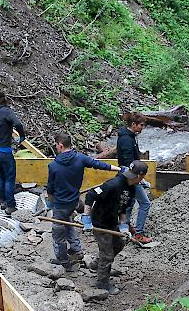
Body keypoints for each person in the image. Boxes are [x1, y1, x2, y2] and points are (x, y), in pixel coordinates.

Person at [47, 132, 120, 272]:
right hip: (74, 201)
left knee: (58, 233)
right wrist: (119, 169)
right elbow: (98, 164)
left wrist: (50, 203)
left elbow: (50, 188)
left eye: (56, 145)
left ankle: (63, 262)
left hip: (60, 204)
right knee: (68, 224)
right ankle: (77, 250)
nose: (56, 147)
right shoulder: (80, 158)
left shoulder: (54, 166)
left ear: (60, 145)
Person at [83, 161, 148, 294]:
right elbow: (90, 195)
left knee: (119, 244)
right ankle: (102, 283)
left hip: (112, 222)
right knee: (107, 254)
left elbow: (123, 208)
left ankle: (96, 264)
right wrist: (86, 218)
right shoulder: (113, 184)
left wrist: (124, 226)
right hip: (100, 222)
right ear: (139, 176)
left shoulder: (131, 189)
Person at [116, 113, 152, 244]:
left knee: (129, 202)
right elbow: (127, 161)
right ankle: (139, 233)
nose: (143, 128)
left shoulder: (130, 136)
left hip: (130, 175)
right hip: (130, 176)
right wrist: (138, 178)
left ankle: (125, 227)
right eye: (141, 125)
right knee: (145, 203)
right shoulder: (126, 139)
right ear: (133, 125)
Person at [0, 91, 25, 215]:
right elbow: (18, 124)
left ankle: (2, 199)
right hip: (4, 150)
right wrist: (22, 136)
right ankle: (10, 205)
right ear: (4, 99)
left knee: (1, 176)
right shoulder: (6, 111)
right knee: (9, 178)